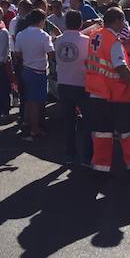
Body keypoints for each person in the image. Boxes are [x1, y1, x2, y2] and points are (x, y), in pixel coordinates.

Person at [85, 7, 130, 175]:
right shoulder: (113, 41)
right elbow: (121, 68)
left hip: (97, 92)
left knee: (102, 133)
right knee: (127, 133)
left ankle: (100, 170)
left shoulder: (95, 35)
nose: (123, 24)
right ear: (117, 20)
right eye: (122, 21)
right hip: (116, 95)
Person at [13, 9, 54, 140]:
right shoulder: (44, 35)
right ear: (41, 20)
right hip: (38, 71)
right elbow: (51, 54)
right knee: (36, 102)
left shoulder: (20, 34)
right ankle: (35, 128)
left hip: (26, 69)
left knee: (31, 101)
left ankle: (32, 125)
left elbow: (17, 53)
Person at [54, 9, 90, 164]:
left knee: (69, 122)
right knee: (88, 121)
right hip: (81, 84)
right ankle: (87, 156)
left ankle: (70, 154)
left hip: (63, 84)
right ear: (81, 23)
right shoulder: (86, 41)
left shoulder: (57, 40)